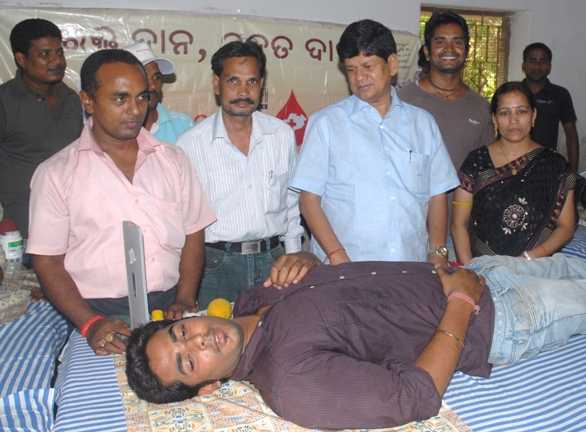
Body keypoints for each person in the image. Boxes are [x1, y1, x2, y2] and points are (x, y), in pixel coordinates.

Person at [126, 252, 586, 429]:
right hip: (502, 316)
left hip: (482, 270)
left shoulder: (253, 297)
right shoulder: (293, 380)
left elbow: (341, 292)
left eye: (181, 333)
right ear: (207, 388)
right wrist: (461, 301)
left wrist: (308, 261)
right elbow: (415, 396)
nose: (199, 341)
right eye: (188, 362)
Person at [27, 49, 216, 355]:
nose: (135, 109)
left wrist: (184, 297)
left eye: (142, 97)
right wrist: (90, 323)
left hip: (169, 310)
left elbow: (194, 232)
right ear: (88, 101)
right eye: (120, 99)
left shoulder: (173, 159)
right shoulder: (56, 174)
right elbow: (47, 261)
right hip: (98, 314)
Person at [290, 19, 459, 266]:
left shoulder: (423, 124)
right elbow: (308, 200)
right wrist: (338, 258)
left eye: (367, 66)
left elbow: (437, 195)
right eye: (351, 69)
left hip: (410, 268)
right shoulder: (326, 124)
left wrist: (438, 255)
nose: (359, 77)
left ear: (392, 64)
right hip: (346, 269)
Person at [176, 41, 304, 308]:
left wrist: (293, 256)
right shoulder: (191, 144)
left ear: (261, 85)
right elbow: (184, 221)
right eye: (233, 81)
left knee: (277, 332)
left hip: (274, 262)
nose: (243, 92)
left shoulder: (281, 135)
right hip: (215, 267)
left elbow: (292, 204)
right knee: (215, 334)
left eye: (252, 82)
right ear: (216, 84)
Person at [451, 81, 576, 264]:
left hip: (535, 267)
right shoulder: (476, 161)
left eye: (521, 111)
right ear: (494, 119)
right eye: (504, 113)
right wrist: (471, 270)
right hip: (481, 267)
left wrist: (527, 259)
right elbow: (458, 224)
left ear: (533, 116)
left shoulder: (555, 165)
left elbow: (566, 227)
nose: (513, 120)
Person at [0, 18, 83, 238]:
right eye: (45, 54)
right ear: (21, 59)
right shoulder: (5, 102)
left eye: (59, 52)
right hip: (22, 229)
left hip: (73, 223)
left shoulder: (72, 100)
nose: (57, 61)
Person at [398, 10, 493, 176]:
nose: (449, 49)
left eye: (457, 42)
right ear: (427, 52)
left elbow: (485, 170)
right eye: (440, 42)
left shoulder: (481, 107)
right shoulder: (402, 100)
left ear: (467, 51)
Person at [522, 42, 579, 172]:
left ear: (549, 67)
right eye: (532, 61)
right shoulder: (513, 92)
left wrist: (573, 174)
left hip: (547, 168)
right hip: (513, 166)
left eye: (543, 61)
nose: (537, 66)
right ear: (523, 65)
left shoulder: (560, 94)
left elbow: (571, 136)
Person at [124, 41, 194, 144]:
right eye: (144, 78)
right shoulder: (114, 130)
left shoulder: (183, 125)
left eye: (156, 77)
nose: (153, 86)